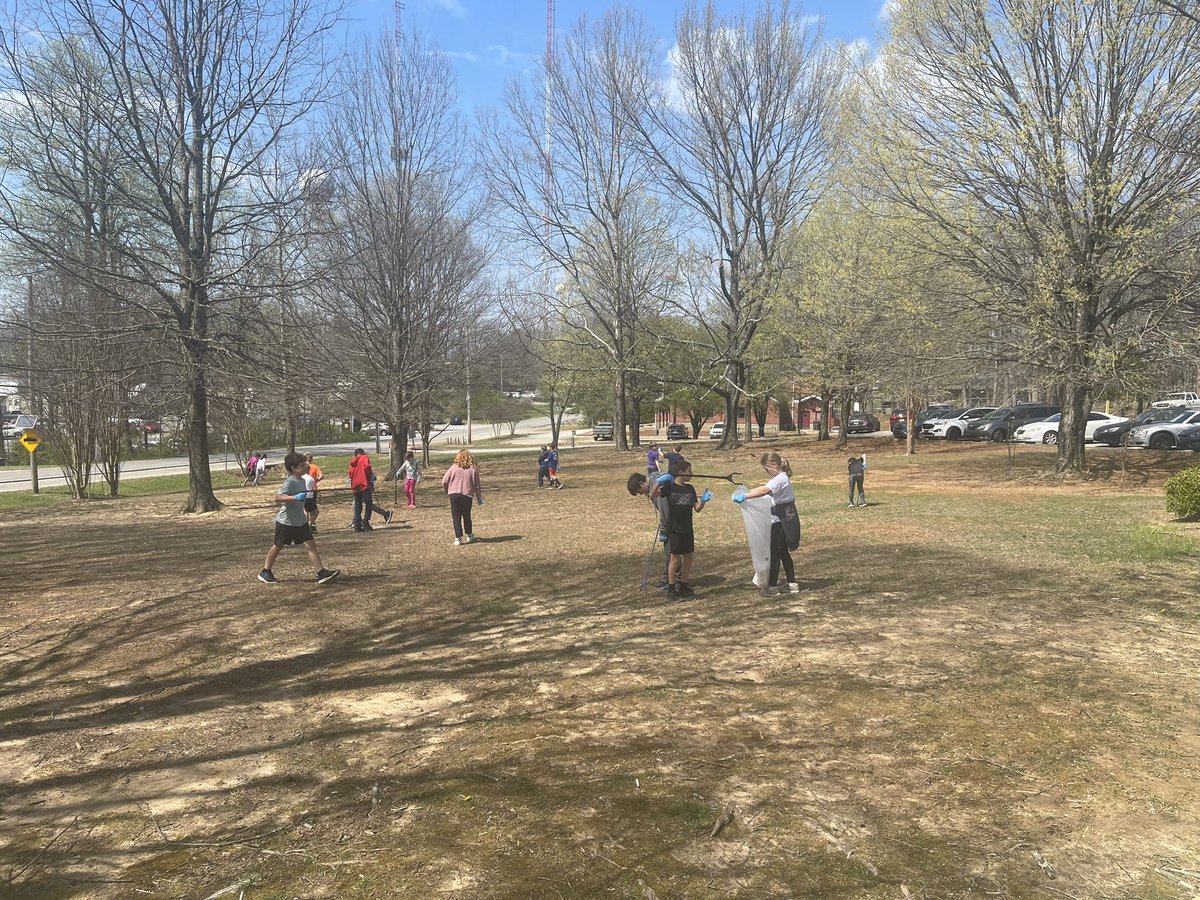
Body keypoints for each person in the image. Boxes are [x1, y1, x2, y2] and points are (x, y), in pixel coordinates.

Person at [258, 451, 340, 585]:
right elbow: (278, 498)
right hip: (286, 521)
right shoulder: (290, 482)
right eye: (301, 465)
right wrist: (295, 497)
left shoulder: (303, 480)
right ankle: (265, 571)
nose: (305, 466)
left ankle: (321, 573)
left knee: (311, 545)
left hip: (300, 521)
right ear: (293, 468)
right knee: (279, 546)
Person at [733, 452, 800, 595]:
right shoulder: (778, 478)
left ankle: (772, 587)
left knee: (775, 553)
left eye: (766, 468)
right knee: (782, 553)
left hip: (781, 520)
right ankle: (791, 583)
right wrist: (748, 491)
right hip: (784, 518)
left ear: (774, 465)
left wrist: (745, 496)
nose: (766, 472)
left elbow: (764, 490)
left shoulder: (780, 479)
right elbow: (763, 488)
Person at [650, 460, 713, 598]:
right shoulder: (670, 488)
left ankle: (684, 587)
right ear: (681, 472)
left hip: (688, 529)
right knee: (675, 558)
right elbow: (653, 495)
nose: (691, 474)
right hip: (675, 530)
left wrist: (703, 501)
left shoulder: (690, 488)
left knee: (689, 557)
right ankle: (671, 590)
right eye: (689, 471)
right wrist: (659, 482)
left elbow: (696, 509)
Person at [628, 472, 671, 590]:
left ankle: (674, 581)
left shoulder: (657, 486)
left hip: (673, 524)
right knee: (670, 553)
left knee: (671, 553)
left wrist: (663, 530)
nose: (641, 494)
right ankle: (667, 579)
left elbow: (665, 512)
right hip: (669, 522)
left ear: (641, 483)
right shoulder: (654, 481)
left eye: (639, 492)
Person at [441, 448, 483, 545]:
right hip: (467, 495)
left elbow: (444, 480)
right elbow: (477, 485)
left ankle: (458, 538)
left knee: (456, 516)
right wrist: (479, 498)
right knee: (466, 515)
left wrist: (446, 490)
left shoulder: (453, 468)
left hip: (454, 495)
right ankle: (469, 535)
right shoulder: (473, 469)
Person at [348, 449, 393, 532]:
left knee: (358, 504)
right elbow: (367, 467)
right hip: (364, 484)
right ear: (362, 453)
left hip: (355, 485)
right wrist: (369, 478)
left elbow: (350, 473)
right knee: (368, 503)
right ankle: (365, 521)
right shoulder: (364, 457)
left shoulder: (352, 461)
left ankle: (357, 524)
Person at [302, 452, 323, 532]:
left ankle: (306, 524)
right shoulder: (314, 466)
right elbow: (321, 475)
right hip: (312, 490)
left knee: (305, 509)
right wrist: (316, 481)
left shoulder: (301, 467)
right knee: (313, 509)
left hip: (303, 493)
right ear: (311, 459)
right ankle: (310, 525)